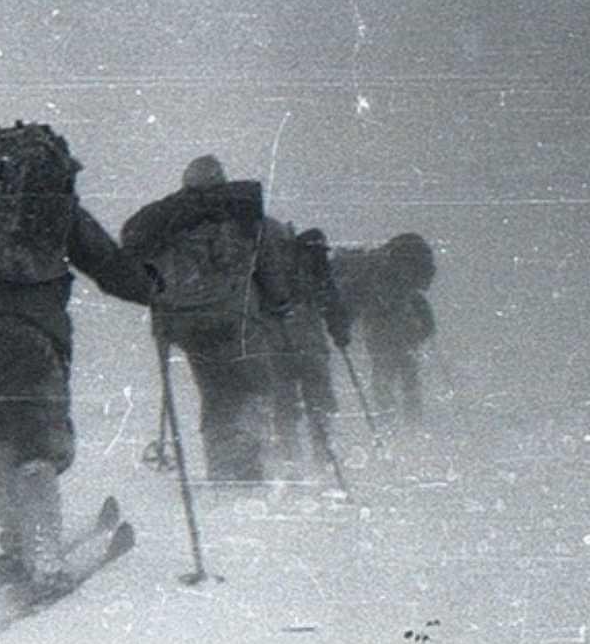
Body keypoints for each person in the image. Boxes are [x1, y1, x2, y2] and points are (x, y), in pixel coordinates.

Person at [0, 123, 150, 603]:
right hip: (31, 335)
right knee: (38, 441)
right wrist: (153, 289)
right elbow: (107, 264)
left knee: (3, 433)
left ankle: (18, 546)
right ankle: (44, 559)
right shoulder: (52, 208)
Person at [121, 155, 297, 485]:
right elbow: (268, 270)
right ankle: (249, 465)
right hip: (235, 320)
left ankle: (222, 469)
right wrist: (280, 305)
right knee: (254, 387)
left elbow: (138, 264)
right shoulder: (243, 215)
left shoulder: (167, 219)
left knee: (216, 395)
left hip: (188, 326)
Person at [265, 225, 351, 466]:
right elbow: (333, 305)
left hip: (278, 347)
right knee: (319, 405)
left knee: (284, 408)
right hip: (310, 348)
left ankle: (290, 460)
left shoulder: (275, 269)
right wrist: (340, 333)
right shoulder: (319, 272)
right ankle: (324, 459)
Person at [331, 232, 437, 422]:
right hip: (401, 329)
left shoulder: (380, 273)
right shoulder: (399, 277)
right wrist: (424, 329)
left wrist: (343, 326)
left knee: (384, 373)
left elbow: (355, 302)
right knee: (406, 373)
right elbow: (418, 300)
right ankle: (411, 419)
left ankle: (389, 418)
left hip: (379, 329)